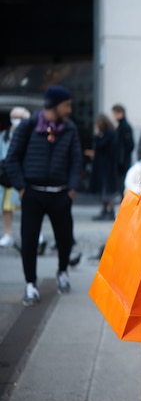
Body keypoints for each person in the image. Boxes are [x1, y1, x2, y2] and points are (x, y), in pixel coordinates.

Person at [5, 85, 83, 305]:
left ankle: (62, 272)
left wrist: (71, 190)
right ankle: (30, 284)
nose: (69, 109)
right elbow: (12, 158)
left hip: (60, 194)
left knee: (65, 238)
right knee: (29, 241)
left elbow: (77, 160)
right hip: (32, 194)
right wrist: (21, 187)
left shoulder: (70, 129)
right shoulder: (28, 127)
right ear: (55, 106)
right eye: (66, 105)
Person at [0, 107, 30, 247]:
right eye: (15, 116)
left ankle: (32, 235)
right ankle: (8, 234)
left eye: (20, 117)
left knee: (29, 208)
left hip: (24, 176)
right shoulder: (5, 135)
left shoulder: (30, 134)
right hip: (7, 178)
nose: (17, 120)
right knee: (6, 207)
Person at [87, 113, 119, 220]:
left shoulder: (109, 134)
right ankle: (105, 210)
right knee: (103, 189)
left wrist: (97, 136)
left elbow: (102, 146)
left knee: (107, 190)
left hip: (107, 167)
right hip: (103, 167)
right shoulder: (106, 133)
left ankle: (110, 211)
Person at [111, 104, 135, 192]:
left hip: (123, 160)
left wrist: (122, 156)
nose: (113, 116)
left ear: (121, 113)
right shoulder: (120, 126)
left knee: (123, 181)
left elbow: (130, 145)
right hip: (120, 159)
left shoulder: (124, 127)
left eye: (115, 113)